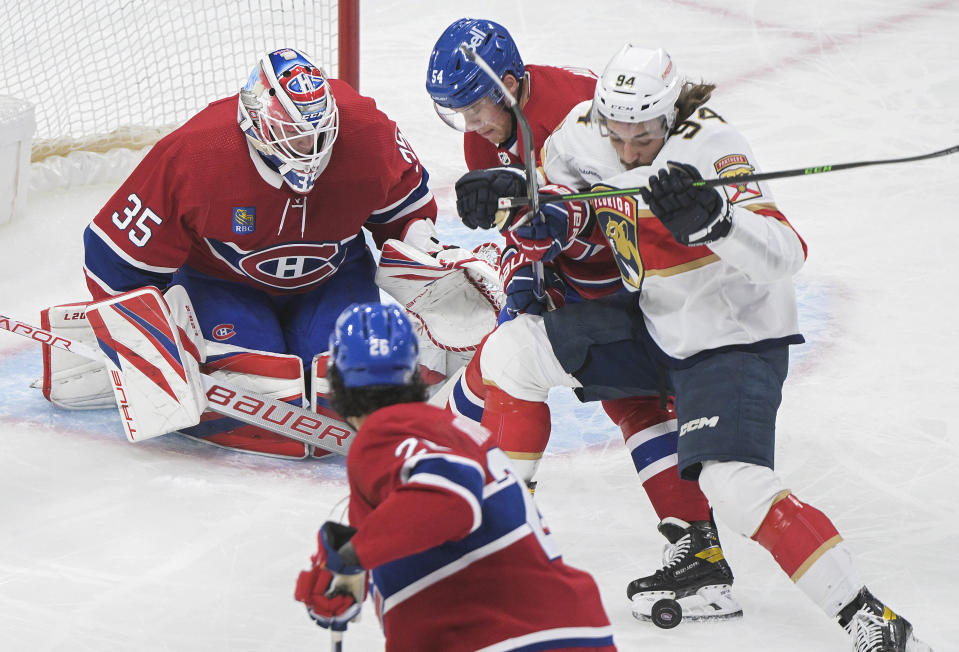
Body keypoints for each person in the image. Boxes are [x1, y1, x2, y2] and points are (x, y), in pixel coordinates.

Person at [475, 43, 932, 650]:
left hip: (732, 338)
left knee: (735, 486)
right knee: (512, 354)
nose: (628, 149)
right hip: (655, 321)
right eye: (618, 134)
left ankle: (871, 620)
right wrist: (523, 204)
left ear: (670, 116)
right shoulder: (585, 129)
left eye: (643, 136)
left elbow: (785, 255)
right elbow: (565, 203)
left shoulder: (713, 146)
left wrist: (717, 221)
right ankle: (507, 548)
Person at [428, 19, 742, 624]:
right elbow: (526, 231)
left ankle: (497, 541)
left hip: (646, 279)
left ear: (511, 85)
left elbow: (622, 210)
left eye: (474, 109)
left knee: (524, 372)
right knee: (628, 405)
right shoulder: (484, 139)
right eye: (456, 113)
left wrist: (549, 238)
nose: (470, 127)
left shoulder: (577, 113)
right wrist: (524, 271)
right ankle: (698, 549)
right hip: (584, 281)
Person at [80, 48, 442, 459]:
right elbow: (112, 254)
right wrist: (143, 344)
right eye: (292, 131)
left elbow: (408, 217)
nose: (308, 147)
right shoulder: (196, 153)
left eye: (317, 132)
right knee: (260, 385)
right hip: (222, 281)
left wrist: (433, 265)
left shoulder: (368, 131)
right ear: (255, 117)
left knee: (348, 382)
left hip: (334, 275)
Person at [294, 302, 616, 652]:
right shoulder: (455, 432)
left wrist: (354, 554)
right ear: (413, 374)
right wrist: (353, 571)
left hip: (503, 638)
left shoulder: (385, 433)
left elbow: (452, 496)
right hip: (569, 628)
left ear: (336, 382)